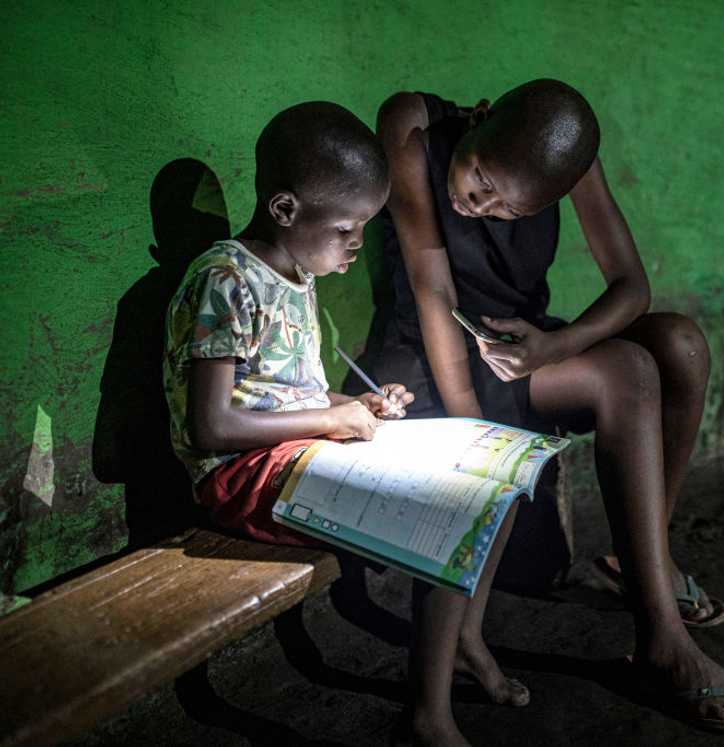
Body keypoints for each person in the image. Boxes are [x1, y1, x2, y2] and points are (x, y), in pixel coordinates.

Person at [359, 79, 724, 732]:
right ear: (480, 121)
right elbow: (430, 286)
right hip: (435, 350)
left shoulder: (569, 161)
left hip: (522, 346)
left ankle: (648, 561)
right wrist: (483, 431)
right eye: (479, 174)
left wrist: (553, 345)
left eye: (505, 208)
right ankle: (662, 640)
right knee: (627, 372)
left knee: (680, 344)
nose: (477, 202)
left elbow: (632, 287)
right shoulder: (415, 134)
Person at [163, 101, 525, 747]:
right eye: (347, 228)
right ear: (284, 210)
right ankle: (428, 715)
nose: (358, 244)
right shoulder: (224, 281)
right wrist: (333, 416)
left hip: (292, 455)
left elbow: (283, 394)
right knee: (448, 507)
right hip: (236, 478)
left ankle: (462, 642)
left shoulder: (296, 277)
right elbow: (213, 423)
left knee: (489, 482)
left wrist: (355, 403)